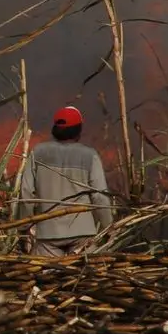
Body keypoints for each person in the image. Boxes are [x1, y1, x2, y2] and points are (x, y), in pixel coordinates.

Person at [18, 106, 114, 256]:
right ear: (78, 130)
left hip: (48, 234)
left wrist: (24, 226)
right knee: (82, 278)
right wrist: (109, 228)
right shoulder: (90, 156)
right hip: (83, 234)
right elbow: (100, 197)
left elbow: (26, 194)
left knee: (48, 278)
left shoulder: (38, 152)